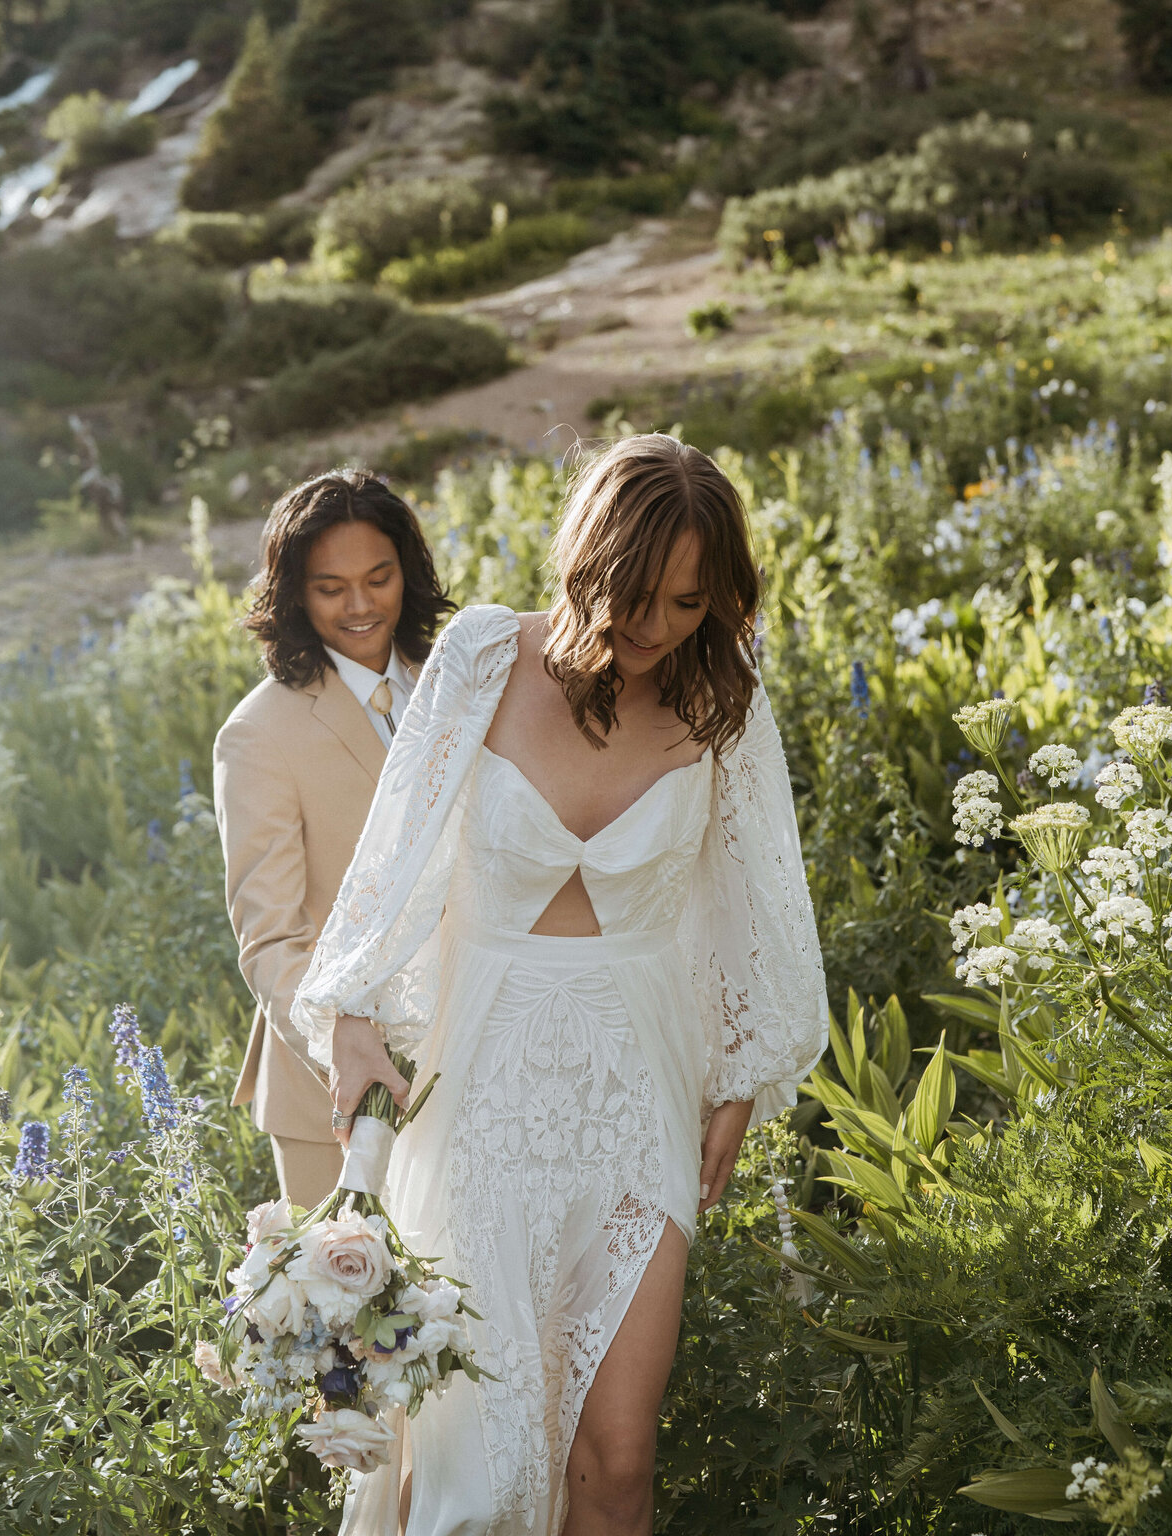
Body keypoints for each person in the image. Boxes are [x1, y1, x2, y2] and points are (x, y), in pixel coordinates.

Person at [293, 433, 828, 1536]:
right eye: (635, 595)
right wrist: (349, 1013)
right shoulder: (483, 659)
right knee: (476, 1457)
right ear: (587, 559)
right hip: (483, 1081)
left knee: (620, 1457)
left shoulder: (721, 698)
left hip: (640, 1084)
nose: (655, 628)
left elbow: (757, 897)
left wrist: (740, 1078)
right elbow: (392, 861)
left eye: (688, 602)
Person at [213, 469, 453, 1211]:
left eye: (379, 578)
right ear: (293, 595)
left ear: (406, 575)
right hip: (334, 1095)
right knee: (360, 1322)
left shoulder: (453, 684)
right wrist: (342, 1039)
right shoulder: (258, 735)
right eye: (329, 587)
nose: (359, 605)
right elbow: (270, 937)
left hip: (470, 1052)